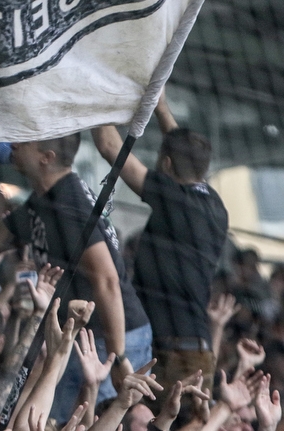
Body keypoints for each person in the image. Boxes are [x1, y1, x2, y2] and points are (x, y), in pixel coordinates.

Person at [0, 134, 152, 421]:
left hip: (105, 338)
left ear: (46, 157)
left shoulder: (66, 201)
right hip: (86, 335)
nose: (13, 144)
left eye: (23, 142)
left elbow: (107, 280)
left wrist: (118, 358)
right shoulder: (45, 197)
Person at [92, 91, 228, 395]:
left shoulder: (172, 198)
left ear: (165, 165)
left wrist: (96, 92)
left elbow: (109, 147)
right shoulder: (215, 205)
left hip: (171, 353)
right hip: (194, 348)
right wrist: (161, 105)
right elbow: (183, 154)